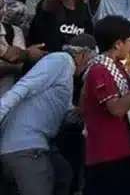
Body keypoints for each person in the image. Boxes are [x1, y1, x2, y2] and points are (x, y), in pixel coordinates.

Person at [0, 34, 95, 195]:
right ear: (83, 54)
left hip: (36, 143)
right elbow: (23, 88)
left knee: (63, 175)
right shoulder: (61, 60)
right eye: (90, 60)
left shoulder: (66, 72)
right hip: (26, 145)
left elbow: (67, 113)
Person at [81, 15, 130, 195]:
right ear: (117, 44)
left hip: (125, 148)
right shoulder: (99, 70)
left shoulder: (117, 68)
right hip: (107, 154)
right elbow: (116, 109)